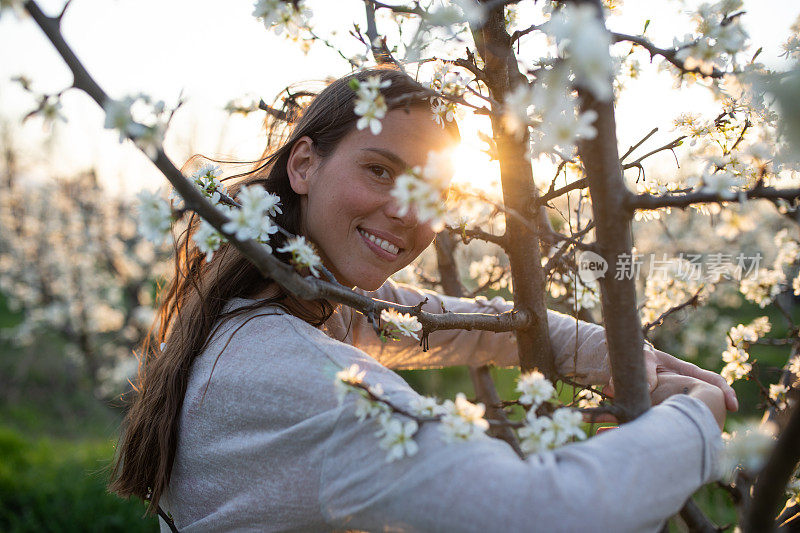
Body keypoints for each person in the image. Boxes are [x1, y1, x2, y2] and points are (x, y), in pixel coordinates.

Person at [109, 67, 735, 532]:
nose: (407, 212)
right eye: (379, 171)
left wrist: (616, 356)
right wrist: (696, 421)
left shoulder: (289, 302)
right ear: (304, 164)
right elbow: (541, 512)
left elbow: (453, 323)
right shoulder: (310, 376)